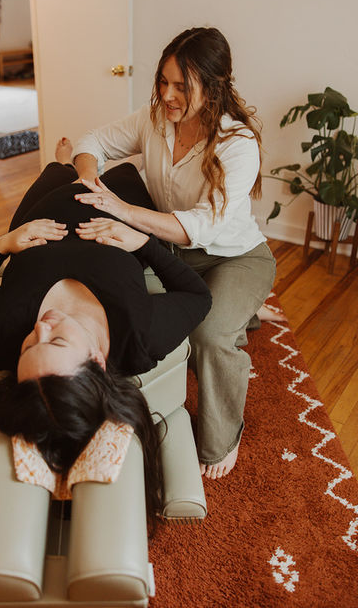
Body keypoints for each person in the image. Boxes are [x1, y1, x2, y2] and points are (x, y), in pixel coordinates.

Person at [0, 140, 212, 524]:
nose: (40, 326)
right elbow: (198, 296)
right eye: (57, 340)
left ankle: (64, 163)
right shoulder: (138, 334)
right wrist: (144, 244)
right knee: (126, 170)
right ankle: (84, 170)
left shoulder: (0, 333)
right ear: (97, 360)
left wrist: (1, 246)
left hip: (42, 207)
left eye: (28, 346)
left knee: (56, 170)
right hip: (117, 206)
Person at [72, 27, 276, 480]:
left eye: (181, 86)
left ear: (214, 85)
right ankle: (240, 312)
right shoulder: (154, 119)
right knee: (126, 308)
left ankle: (224, 437)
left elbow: (202, 227)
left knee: (208, 335)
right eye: (163, 82)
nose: (167, 95)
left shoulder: (238, 144)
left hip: (234, 256)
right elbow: (93, 142)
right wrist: (89, 181)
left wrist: (122, 210)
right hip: (172, 252)